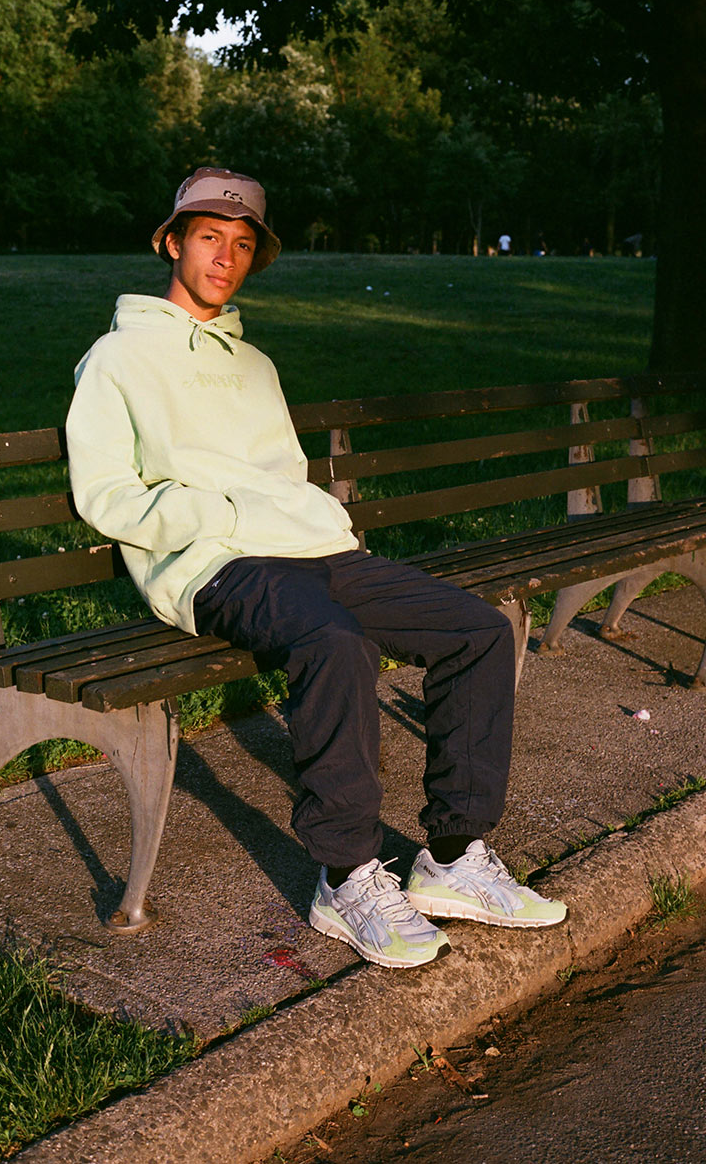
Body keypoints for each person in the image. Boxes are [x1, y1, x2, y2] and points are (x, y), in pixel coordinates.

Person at [66, 167, 567, 970]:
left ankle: (453, 858)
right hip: (216, 564)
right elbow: (105, 495)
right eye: (208, 237)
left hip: (315, 551)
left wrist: (323, 526)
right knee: (335, 644)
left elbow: (285, 476)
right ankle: (346, 876)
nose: (224, 257)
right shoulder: (117, 358)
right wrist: (221, 517)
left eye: (241, 245)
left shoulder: (255, 365)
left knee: (476, 631)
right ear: (172, 242)